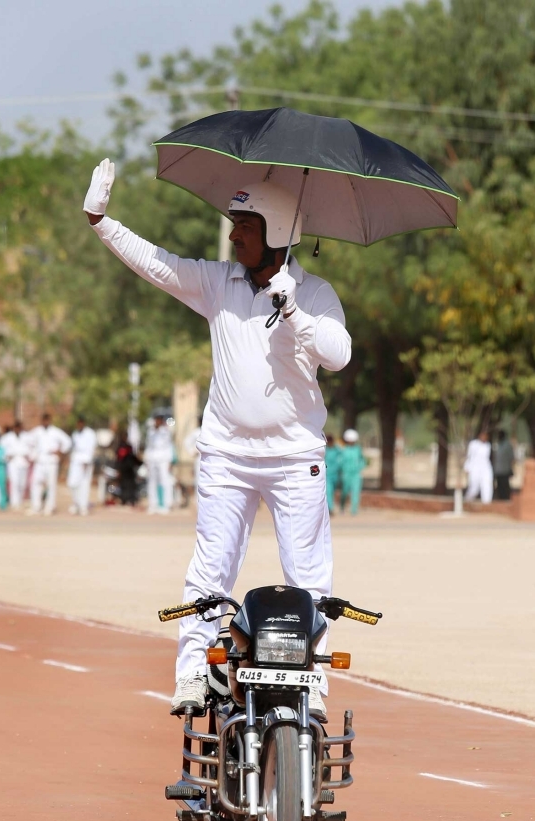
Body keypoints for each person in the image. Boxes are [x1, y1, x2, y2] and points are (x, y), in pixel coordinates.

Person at [84, 161, 351, 718]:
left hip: (294, 457)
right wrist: (102, 222)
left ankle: (314, 684)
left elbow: (338, 354)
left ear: (277, 232)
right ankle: (191, 672)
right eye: (234, 225)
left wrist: (292, 308)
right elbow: (158, 264)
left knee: (309, 577)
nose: (233, 236)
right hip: (226, 455)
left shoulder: (315, 293)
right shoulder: (216, 282)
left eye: (245, 227)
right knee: (209, 571)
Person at [27, 413, 72, 516]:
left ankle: (50, 507)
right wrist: (33, 453)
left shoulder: (55, 431)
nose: (45, 422)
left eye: (47, 420)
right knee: (36, 483)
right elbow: (27, 441)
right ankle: (36, 506)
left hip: (51, 461)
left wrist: (60, 450)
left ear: (50, 420)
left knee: (51, 485)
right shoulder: (37, 431)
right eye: (44, 420)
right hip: (40, 461)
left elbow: (67, 442)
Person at [144, 414, 175, 515]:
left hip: (163, 459)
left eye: (159, 420)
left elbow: (169, 446)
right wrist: (147, 459)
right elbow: (148, 446)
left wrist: (170, 460)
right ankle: (153, 504)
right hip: (152, 459)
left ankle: (166, 504)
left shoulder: (165, 432)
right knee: (152, 482)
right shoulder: (150, 432)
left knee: (165, 481)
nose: (157, 422)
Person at [67, 416, 97, 516]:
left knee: (84, 485)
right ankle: (76, 503)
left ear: (83, 423)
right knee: (72, 483)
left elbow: (91, 448)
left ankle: (83, 507)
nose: (79, 425)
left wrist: (86, 461)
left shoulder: (90, 433)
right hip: (75, 461)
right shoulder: (75, 434)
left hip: (85, 462)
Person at [1, 421, 30, 510]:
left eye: (19, 427)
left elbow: (32, 447)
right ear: (14, 428)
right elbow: (1, 448)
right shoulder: (7, 437)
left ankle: (20, 500)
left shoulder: (26, 436)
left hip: (23, 461)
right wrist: (6, 456)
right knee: (14, 482)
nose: (17, 429)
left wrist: (29, 456)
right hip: (12, 462)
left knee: (22, 483)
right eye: (16, 427)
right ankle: (14, 502)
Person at [340, 429, 366, 515]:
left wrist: (360, 467)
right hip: (346, 474)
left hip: (356, 474)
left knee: (355, 491)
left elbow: (362, 460)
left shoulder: (358, 449)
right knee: (345, 491)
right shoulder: (344, 450)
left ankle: (354, 510)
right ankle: (342, 506)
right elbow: (340, 461)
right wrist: (342, 469)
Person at [464, 429, 493, 504]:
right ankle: (467, 502)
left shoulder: (488, 445)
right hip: (475, 468)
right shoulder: (473, 444)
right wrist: (467, 467)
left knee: (487, 486)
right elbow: (469, 456)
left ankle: (486, 504)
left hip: (485, 468)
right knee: (474, 488)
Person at [115, 432, 142, 505]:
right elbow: (118, 459)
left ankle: (131, 499)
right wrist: (118, 469)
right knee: (124, 484)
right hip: (123, 469)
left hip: (130, 469)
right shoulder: (120, 447)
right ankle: (124, 499)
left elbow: (133, 457)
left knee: (131, 485)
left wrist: (139, 462)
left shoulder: (129, 447)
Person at [493, 429, 515, 501]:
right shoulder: (497, 445)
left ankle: (506, 499)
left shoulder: (507, 446)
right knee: (499, 486)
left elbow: (511, 458)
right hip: (498, 470)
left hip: (505, 470)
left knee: (505, 486)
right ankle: (501, 499)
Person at [324, 435, 342, 513]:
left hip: (335, 474)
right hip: (327, 474)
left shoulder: (337, 450)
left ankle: (330, 505)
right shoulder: (325, 450)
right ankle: (330, 508)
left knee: (332, 491)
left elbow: (342, 457)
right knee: (328, 491)